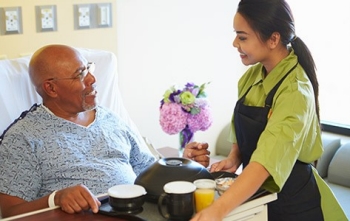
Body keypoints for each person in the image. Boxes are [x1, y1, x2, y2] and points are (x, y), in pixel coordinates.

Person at [0, 44, 210, 218]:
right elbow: (10, 212)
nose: (92, 79)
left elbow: (148, 170)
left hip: (139, 214)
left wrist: (183, 164)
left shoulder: (109, 118)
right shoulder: (23, 138)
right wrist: (55, 198)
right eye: (80, 75)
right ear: (51, 89)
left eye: (88, 68)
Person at [191, 0, 347, 221]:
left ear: (273, 39)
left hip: (295, 206)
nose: (235, 43)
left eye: (242, 37)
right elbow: (243, 132)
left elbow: (266, 160)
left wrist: (217, 210)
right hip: (258, 198)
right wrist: (234, 157)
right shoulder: (251, 77)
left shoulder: (295, 91)